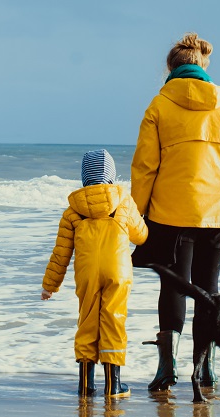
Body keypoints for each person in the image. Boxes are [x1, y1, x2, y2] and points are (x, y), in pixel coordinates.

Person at [131, 32, 220, 392]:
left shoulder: (159, 104)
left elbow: (144, 168)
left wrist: (136, 215)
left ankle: (166, 368)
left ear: (171, 68)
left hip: (171, 210)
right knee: (208, 289)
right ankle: (207, 370)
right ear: (202, 66)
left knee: (173, 288)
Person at [42, 149, 148, 398]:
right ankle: (113, 385)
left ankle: (86, 385)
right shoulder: (124, 201)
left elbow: (61, 252)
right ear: (111, 176)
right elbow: (141, 236)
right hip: (118, 271)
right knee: (114, 319)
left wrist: (50, 285)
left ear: (84, 178)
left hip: (87, 273)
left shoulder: (72, 211)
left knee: (87, 320)